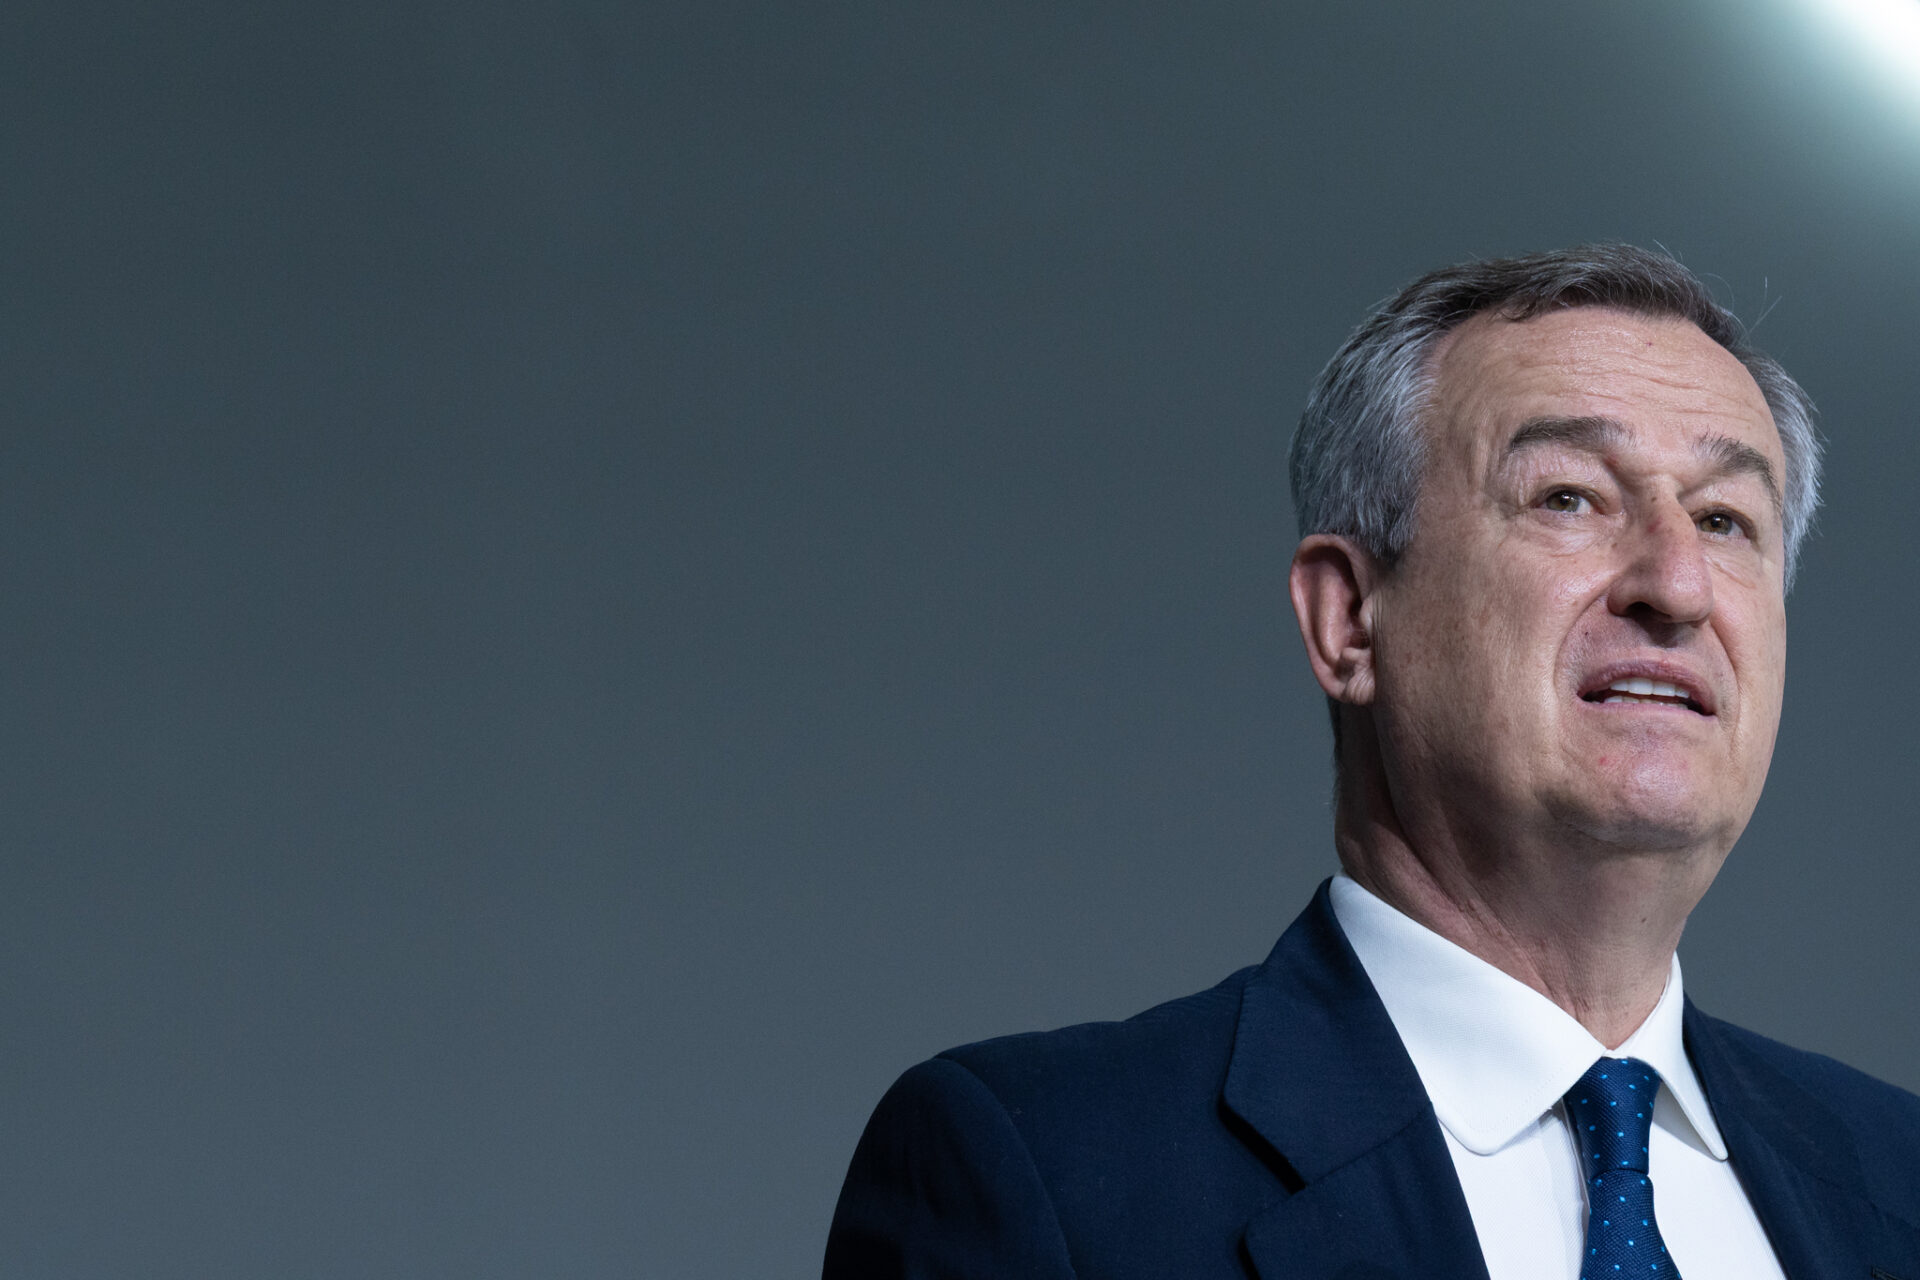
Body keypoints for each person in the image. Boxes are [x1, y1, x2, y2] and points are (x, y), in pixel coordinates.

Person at [822, 245, 1920, 1279]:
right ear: (1348, 619)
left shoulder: (1898, 1181)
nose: (1676, 585)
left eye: (1725, 520)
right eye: (1569, 497)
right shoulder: (1043, 1174)